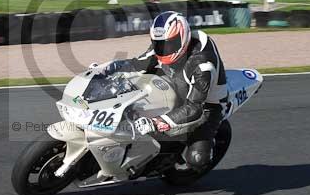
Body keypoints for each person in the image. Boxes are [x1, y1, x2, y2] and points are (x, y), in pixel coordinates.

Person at [96, 11, 230, 173]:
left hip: (207, 104)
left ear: (183, 38)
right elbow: (140, 64)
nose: (164, 49)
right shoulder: (163, 45)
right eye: (159, 44)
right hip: (175, 84)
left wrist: (155, 122)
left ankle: (196, 149)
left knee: (197, 159)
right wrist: (108, 68)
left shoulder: (202, 65)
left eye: (169, 44)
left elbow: (194, 108)